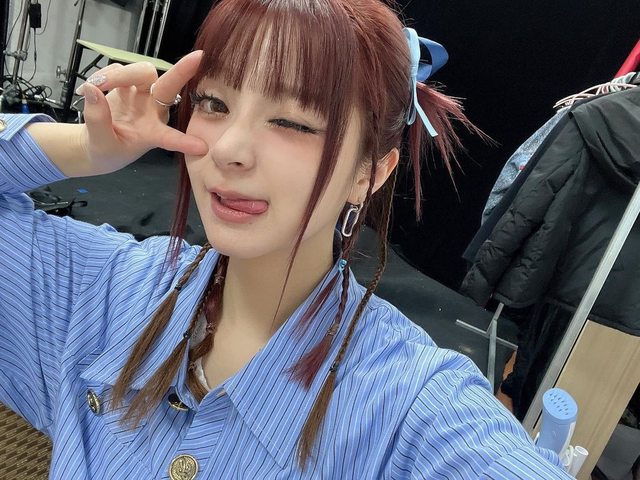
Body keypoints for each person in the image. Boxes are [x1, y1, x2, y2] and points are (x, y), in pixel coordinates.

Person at [0, 0, 573, 478]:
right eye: (214, 104)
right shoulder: (105, 292)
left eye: (294, 122)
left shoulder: (409, 410)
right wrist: (87, 149)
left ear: (369, 172)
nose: (229, 149)